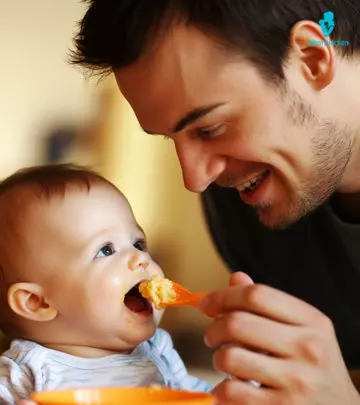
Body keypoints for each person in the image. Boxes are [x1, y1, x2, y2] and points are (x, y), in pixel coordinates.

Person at [55, 1, 360, 404]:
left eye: (210, 129)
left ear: (312, 58)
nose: (196, 180)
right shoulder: (243, 201)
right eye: (170, 139)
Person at [0, 164, 211, 405]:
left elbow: (201, 398)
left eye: (138, 244)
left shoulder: (157, 349)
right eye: (106, 250)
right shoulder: (26, 372)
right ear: (37, 302)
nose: (140, 258)